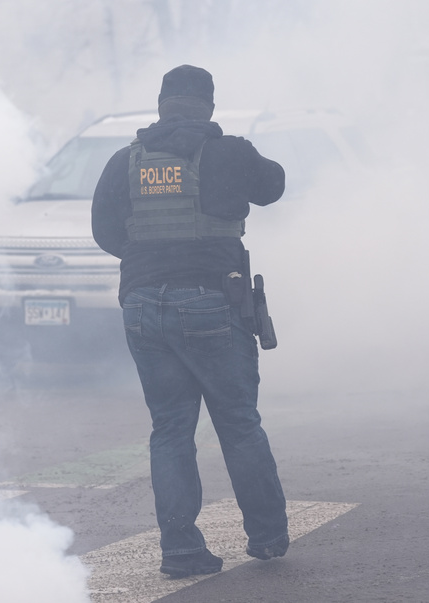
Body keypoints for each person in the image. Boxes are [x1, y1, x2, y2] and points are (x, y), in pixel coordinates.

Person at [91, 64, 290, 578]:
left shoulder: (125, 161)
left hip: (142, 306)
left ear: (161, 106)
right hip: (210, 303)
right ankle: (267, 536)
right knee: (238, 423)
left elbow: (105, 231)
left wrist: (150, 263)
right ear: (209, 106)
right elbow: (273, 186)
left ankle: (180, 550)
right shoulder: (229, 152)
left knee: (170, 429)